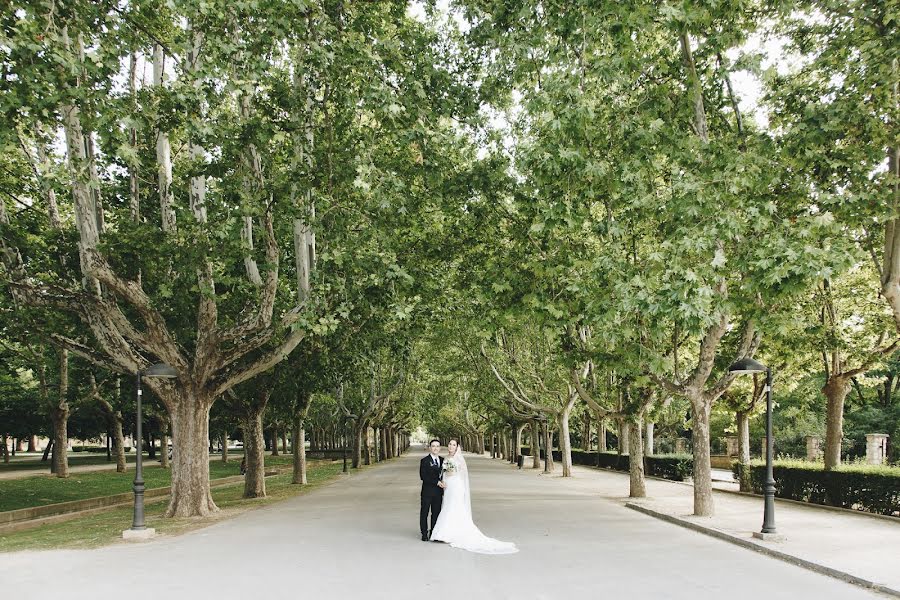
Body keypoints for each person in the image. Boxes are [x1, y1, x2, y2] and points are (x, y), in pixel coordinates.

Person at [429, 438, 518, 554]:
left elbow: (461, 474)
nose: (451, 446)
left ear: (457, 447)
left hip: (456, 486)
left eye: (454, 445)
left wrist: (452, 471)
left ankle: (451, 534)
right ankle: (445, 532)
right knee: (447, 506)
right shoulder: (445, 458)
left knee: (454, 507)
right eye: (450, 444)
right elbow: (443, 473)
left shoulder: (459, 458)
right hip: (448, 487)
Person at [420, 439, 445, 541]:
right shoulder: (424, 461)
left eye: (437, 446)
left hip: (438, 492)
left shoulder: (443, 461)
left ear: (440, 448)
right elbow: (423, 476)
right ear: (430, 448)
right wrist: (436, 482)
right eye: (433, 446)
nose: (435, 448)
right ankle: (424, 533)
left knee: (436, 513)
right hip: (427, 492)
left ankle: (433, 532)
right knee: (424, 513)